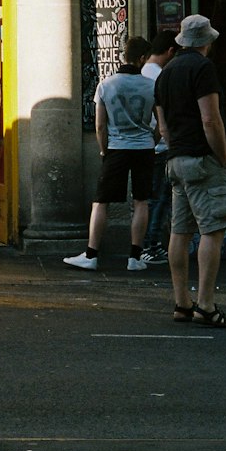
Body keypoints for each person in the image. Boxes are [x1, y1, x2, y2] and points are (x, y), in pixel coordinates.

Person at [155, 13, 226, 328]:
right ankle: (205, 304)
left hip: (175, 160)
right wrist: (222, 156)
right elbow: (210, 119)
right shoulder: (203, 69)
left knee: (180, 231)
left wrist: (177, 149)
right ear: (206, 42)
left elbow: (162, 127)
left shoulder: (165, 73)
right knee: (212, 231)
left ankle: (181, 303)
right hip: (202, 159)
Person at [64, 36, 156, 273]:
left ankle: (92, 254)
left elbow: (100, 126)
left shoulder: (106, 85)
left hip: (116, 148)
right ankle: (135, 257)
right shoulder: (151, 86)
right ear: (142, 58)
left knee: (101, 201)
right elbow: (160, 124)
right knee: (141, 201)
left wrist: (104, 149)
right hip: (144, 147)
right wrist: (150, 140)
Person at [139, 30, 178, 264]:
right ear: (170, 51)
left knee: (153, 198)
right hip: (160, 146)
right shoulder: (161, 76)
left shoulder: (144, 72)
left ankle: (150, 243)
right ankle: (150, 245)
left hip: (146, 144)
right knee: (159, 199)